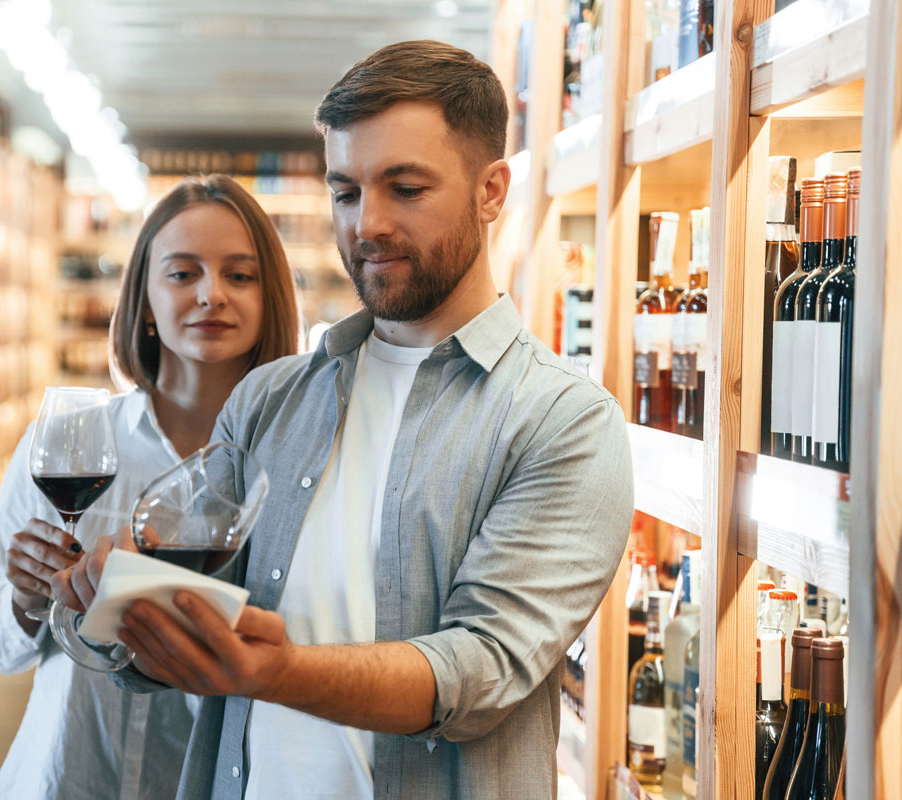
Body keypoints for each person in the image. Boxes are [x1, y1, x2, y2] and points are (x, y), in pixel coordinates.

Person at [54, 40, 634, 800]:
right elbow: (178, 608)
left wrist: (279, 671)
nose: (368, 225)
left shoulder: (562, 422)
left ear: (492, 190)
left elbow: (482, 670)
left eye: (405, 188)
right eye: (347, 191)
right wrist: (111, 607)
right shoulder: (268, 400)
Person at [0, 174, 299, 800]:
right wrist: (26, 598)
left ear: (270, 296)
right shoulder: (70, 443)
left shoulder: (292, 464)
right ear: (144, 298)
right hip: (65, 777)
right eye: (182, 274)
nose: (211, 295)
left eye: (239, 274)